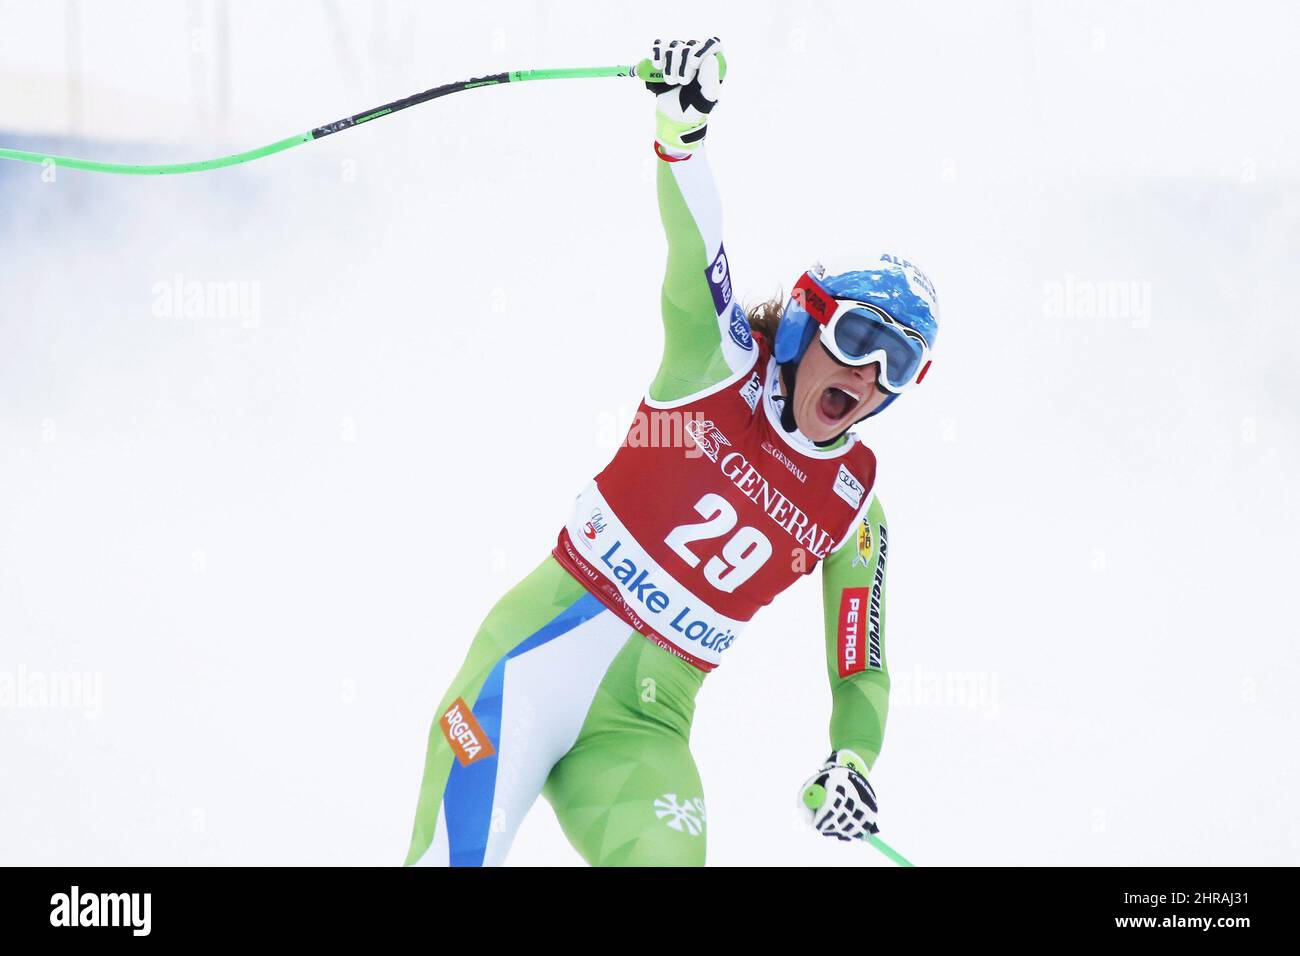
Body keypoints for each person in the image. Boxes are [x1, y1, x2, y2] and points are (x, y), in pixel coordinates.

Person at [404, 37, 940, 867]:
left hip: (644, 733)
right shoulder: (716, 365)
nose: (868, 373)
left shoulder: (854, 510)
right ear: (804, 318)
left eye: (897, 363)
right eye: (858, 335)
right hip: (527, 673)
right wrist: (680, 133)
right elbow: (698, 247)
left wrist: (851, 760)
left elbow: (861, 669)